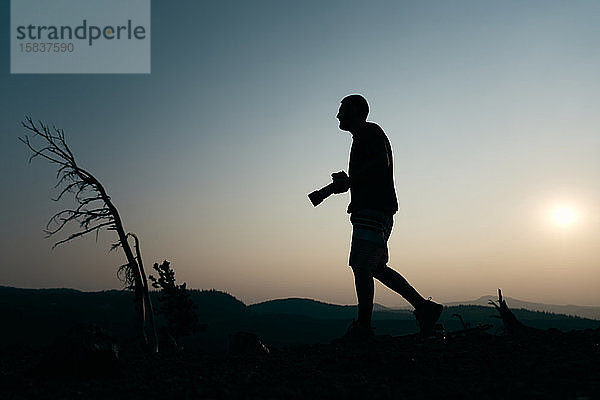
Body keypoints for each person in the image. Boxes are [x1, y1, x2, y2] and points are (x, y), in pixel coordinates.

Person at [330, 94, 443, 338]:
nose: (338, 115)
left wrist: (350, 181)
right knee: (376, 266)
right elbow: (374, 168)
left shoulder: (368, 132)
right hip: (375, 208)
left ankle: (363, 326)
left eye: (343, 110)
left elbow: (379, 163)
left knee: (362, 265)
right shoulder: (366, 135)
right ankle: (424, 307)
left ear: (357, 112)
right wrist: (350, 185)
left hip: (373, 209)